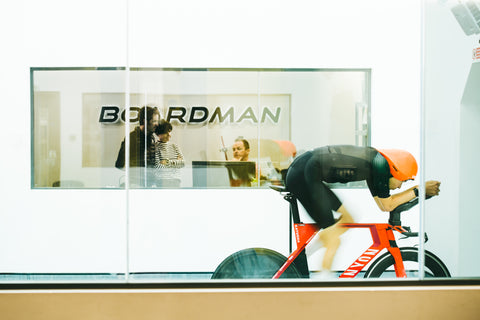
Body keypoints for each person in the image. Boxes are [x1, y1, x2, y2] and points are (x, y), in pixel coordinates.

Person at [285, 145, 441, 276]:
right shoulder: (380, 165)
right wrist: (418, 190)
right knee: (334, 238)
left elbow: (383, 206)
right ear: (396, 170)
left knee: (347, 219)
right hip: (304, 172)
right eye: (404, 181)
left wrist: (418, 192)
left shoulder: (375, 163)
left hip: (304, 168)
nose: (400, 186)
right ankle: (322, 288)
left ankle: (302, 257)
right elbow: (388, 205)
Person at [152, 119, 185, 187]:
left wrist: (167, 162)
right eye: (166, 132)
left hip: (176, 180)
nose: (169, 135)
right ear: (159, 134)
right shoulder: (155, 147)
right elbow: (158, 166)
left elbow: (183, 163)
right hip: (162, 181)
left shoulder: (174, 146)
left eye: (169, 132)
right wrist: (176, 162)